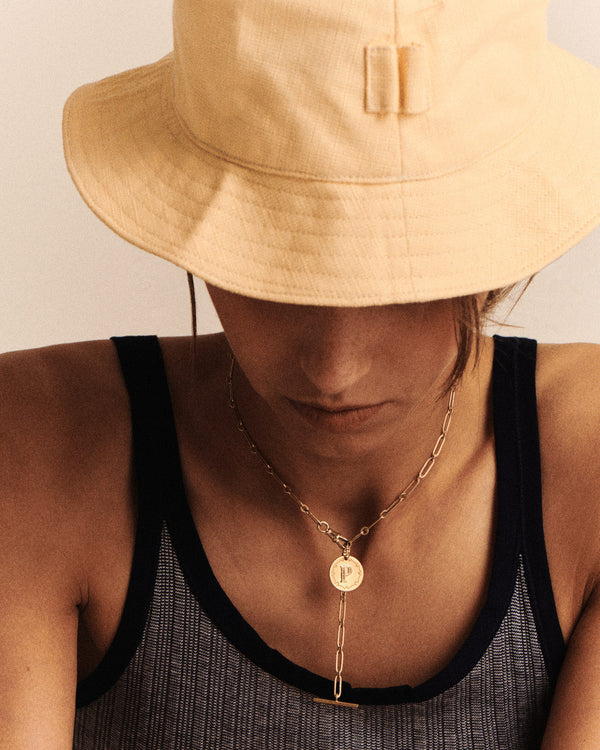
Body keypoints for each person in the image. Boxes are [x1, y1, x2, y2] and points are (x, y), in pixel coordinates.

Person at [2, 0, 600, 747]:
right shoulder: (37, 445)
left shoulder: (586, 464)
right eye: (278, 266)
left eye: (403, 279)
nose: (333, 369)